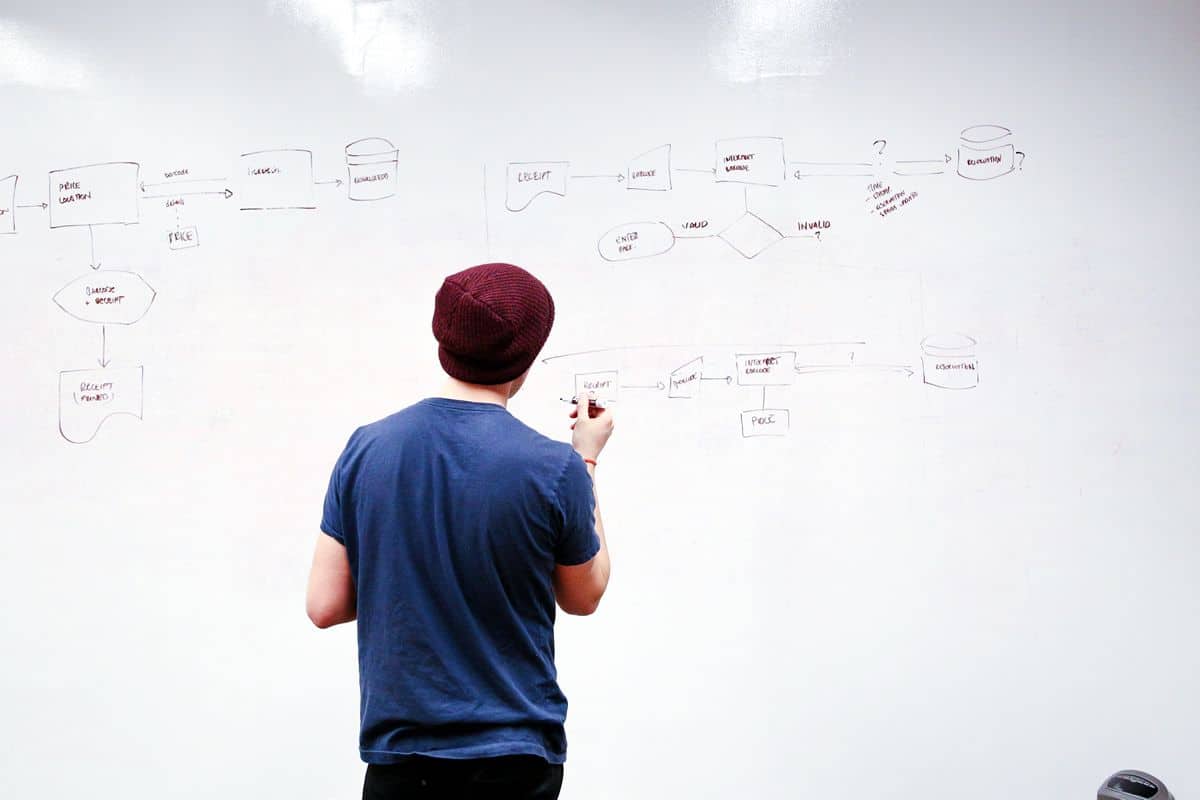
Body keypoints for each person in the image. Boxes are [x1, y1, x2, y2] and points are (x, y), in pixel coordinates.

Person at [305, 262, 613, 799]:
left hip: (401, 760)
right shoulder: (553, 468)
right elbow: (583, 596)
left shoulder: (366, 449)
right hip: (513, 759)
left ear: (442, 337)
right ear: (528, 355)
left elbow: (325, 605)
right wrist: (584, 460)